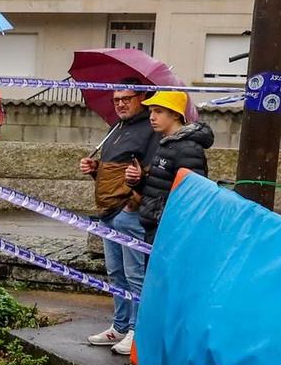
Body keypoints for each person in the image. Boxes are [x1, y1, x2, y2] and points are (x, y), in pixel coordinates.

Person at [80, 86, 156, 349]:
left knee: (134, 273)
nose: (120, 104)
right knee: (115, 273)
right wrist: (95, 169)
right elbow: (113, 172)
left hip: (127, 212)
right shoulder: (116, 128)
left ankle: (137, 330)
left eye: (126, 99)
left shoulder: (150, 129)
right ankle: (120, 326)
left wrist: (132, 205)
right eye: (116, 100)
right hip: (107, 211)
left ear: (142, 98)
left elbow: (148, 173)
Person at [134, 89, 212, 247]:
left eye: (158, 111)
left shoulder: (187, 148)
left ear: (175, 114)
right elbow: (159, 187)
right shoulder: (167, 143)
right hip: (157, 227)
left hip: (169, 231)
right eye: (150, 112)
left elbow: (192, 195)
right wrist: (137, 180)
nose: (152, 117)